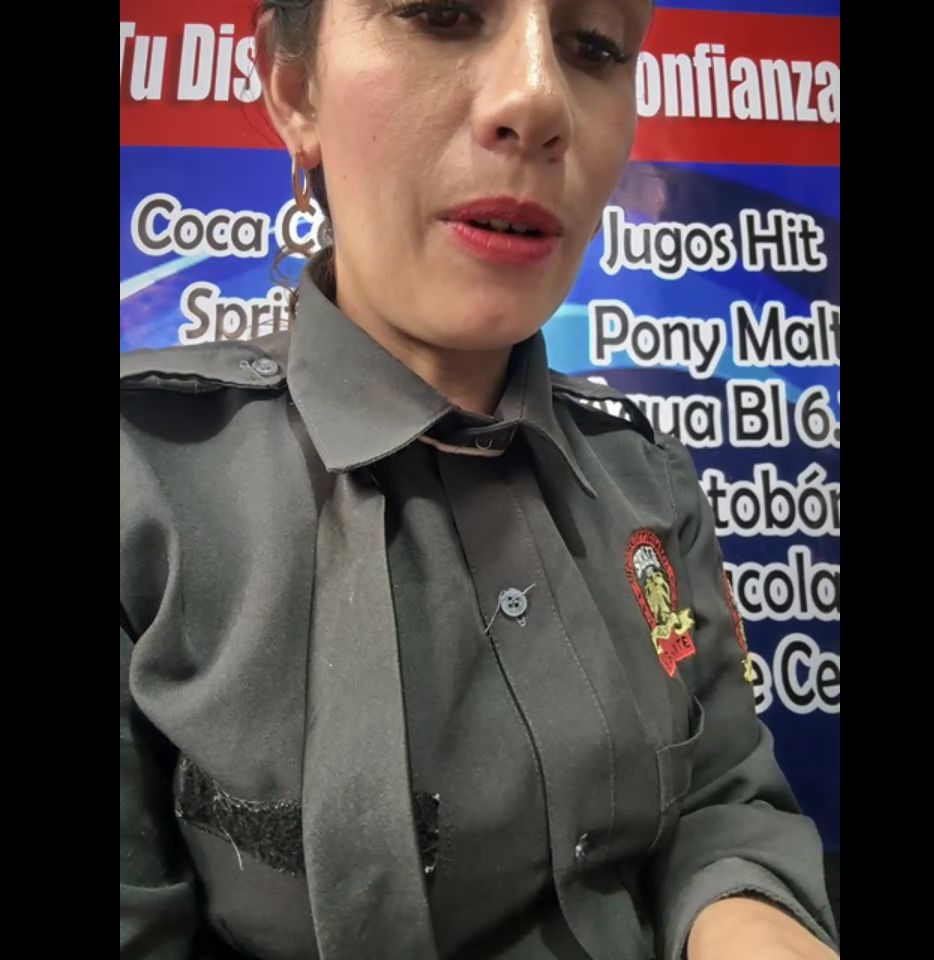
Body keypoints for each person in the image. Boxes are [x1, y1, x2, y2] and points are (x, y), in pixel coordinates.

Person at [120, 1, 839, 957]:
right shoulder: (147, 483)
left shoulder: (648, 478)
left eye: (595, 47)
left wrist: (748, 922)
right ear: (297, 92)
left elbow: (721, 796)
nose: (539, 100)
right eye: (443, 13)